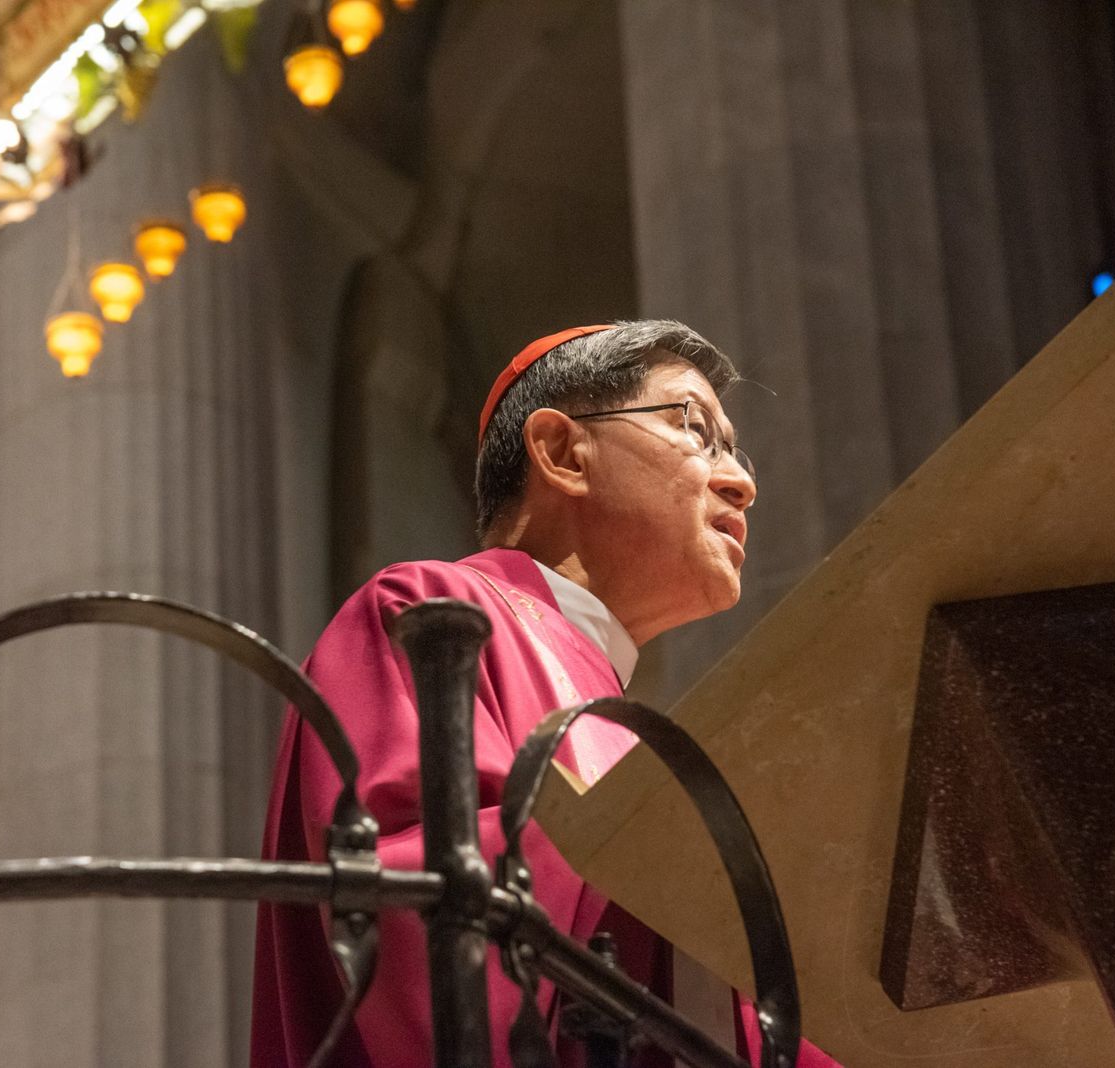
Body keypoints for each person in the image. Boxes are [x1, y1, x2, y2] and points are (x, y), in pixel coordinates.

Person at [254, 320, 840, 1066]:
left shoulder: (622, 711)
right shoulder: (432, 608)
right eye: (695, 430)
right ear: (563, 453)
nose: (741, 481)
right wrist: (696, 842)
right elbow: (417, 910)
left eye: (734, 448)